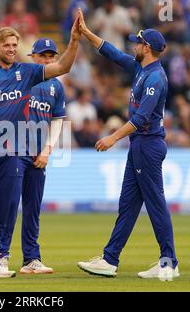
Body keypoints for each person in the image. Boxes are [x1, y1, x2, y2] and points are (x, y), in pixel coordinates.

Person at [0, 11, 83, 279]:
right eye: (7, 45)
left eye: (15, 45)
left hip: (13, 152)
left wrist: (74, 41)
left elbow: (63, 68)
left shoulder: (26, 72)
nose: (12, 49)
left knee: (4, 207)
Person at [76, 21, 179, 281]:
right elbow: (112, 52)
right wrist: (87, 33)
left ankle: (169, 263)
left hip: (148, 145)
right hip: (140, 146)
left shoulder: (155, 77)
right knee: (128, 205)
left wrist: (112, 138)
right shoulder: (140, 68)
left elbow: (142, 117)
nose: (134, 46)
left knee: (155, 204)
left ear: (147, 48)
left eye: (138, 43)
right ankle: (110, 259)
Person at [0, 38, 66, 274]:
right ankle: (0, 255)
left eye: (51, 56)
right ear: (33, 57)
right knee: (9, 203)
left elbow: (57, 121)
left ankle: (31, 259)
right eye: (43, 56)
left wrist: (47, 150)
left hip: (39, 154)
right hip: (14, 151)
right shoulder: (22, 78)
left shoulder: (56, 86)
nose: (48, 60)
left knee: (33, 208)